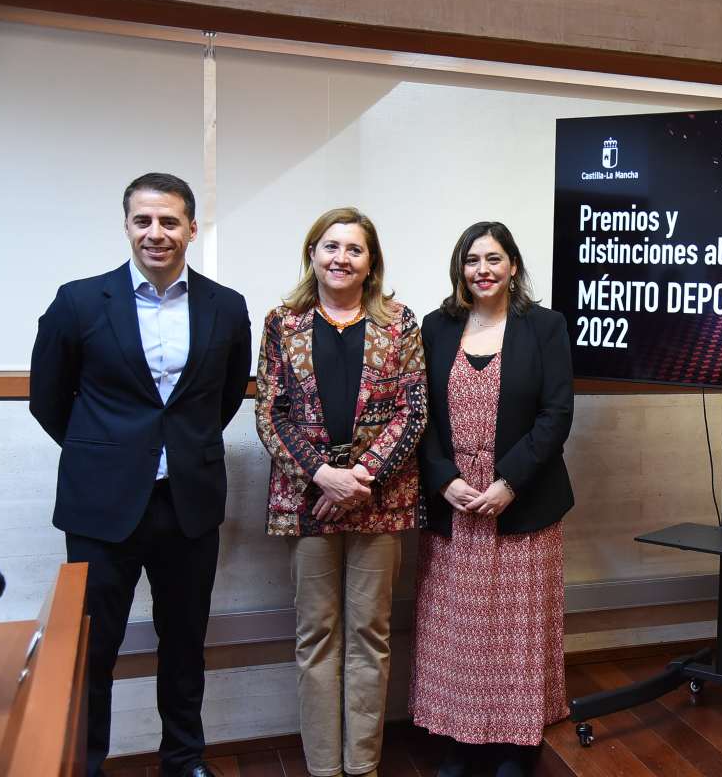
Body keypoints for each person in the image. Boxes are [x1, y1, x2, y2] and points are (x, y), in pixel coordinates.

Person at [29, 173, 251, 777]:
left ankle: (184, 759)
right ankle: (88, 764)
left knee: (184, 644)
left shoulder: (225, 307)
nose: (157, 233)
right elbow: (49, 399)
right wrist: (108, 454)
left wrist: (178, 450)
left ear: (192, 229)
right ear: (127, 225)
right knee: (92, 648)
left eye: (170, 221)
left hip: (188, 503)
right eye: (144, 221)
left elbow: (225, 397)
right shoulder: (78, 301)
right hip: (102, 508)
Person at [255, 207, 427, 777]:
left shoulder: (400, 322)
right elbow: (270, 412)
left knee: (370, 637)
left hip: (378, 504)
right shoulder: (284, 322)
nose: (341, 258)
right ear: (313, 253)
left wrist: (361, 479)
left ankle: (363, 766)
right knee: (316, 638)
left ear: (371, 261)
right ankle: (324, 768)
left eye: (354, 249)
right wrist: (321, 477)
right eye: (331, 247)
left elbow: (414, 412)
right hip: (307, 505)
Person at [411, 221, 575, 777]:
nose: (482, 270)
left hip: (521, 501)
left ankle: (515, 745)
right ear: (460, 268)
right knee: (456, 628)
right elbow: (419, 415)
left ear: (513, 266)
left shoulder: (545, 327)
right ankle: (459, 740)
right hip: (454, 503)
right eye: (472, 260)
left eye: (494, 259)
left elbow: (556, 416)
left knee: (517, 629)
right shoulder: (435, 328)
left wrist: (509, 482)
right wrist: (442, 478)